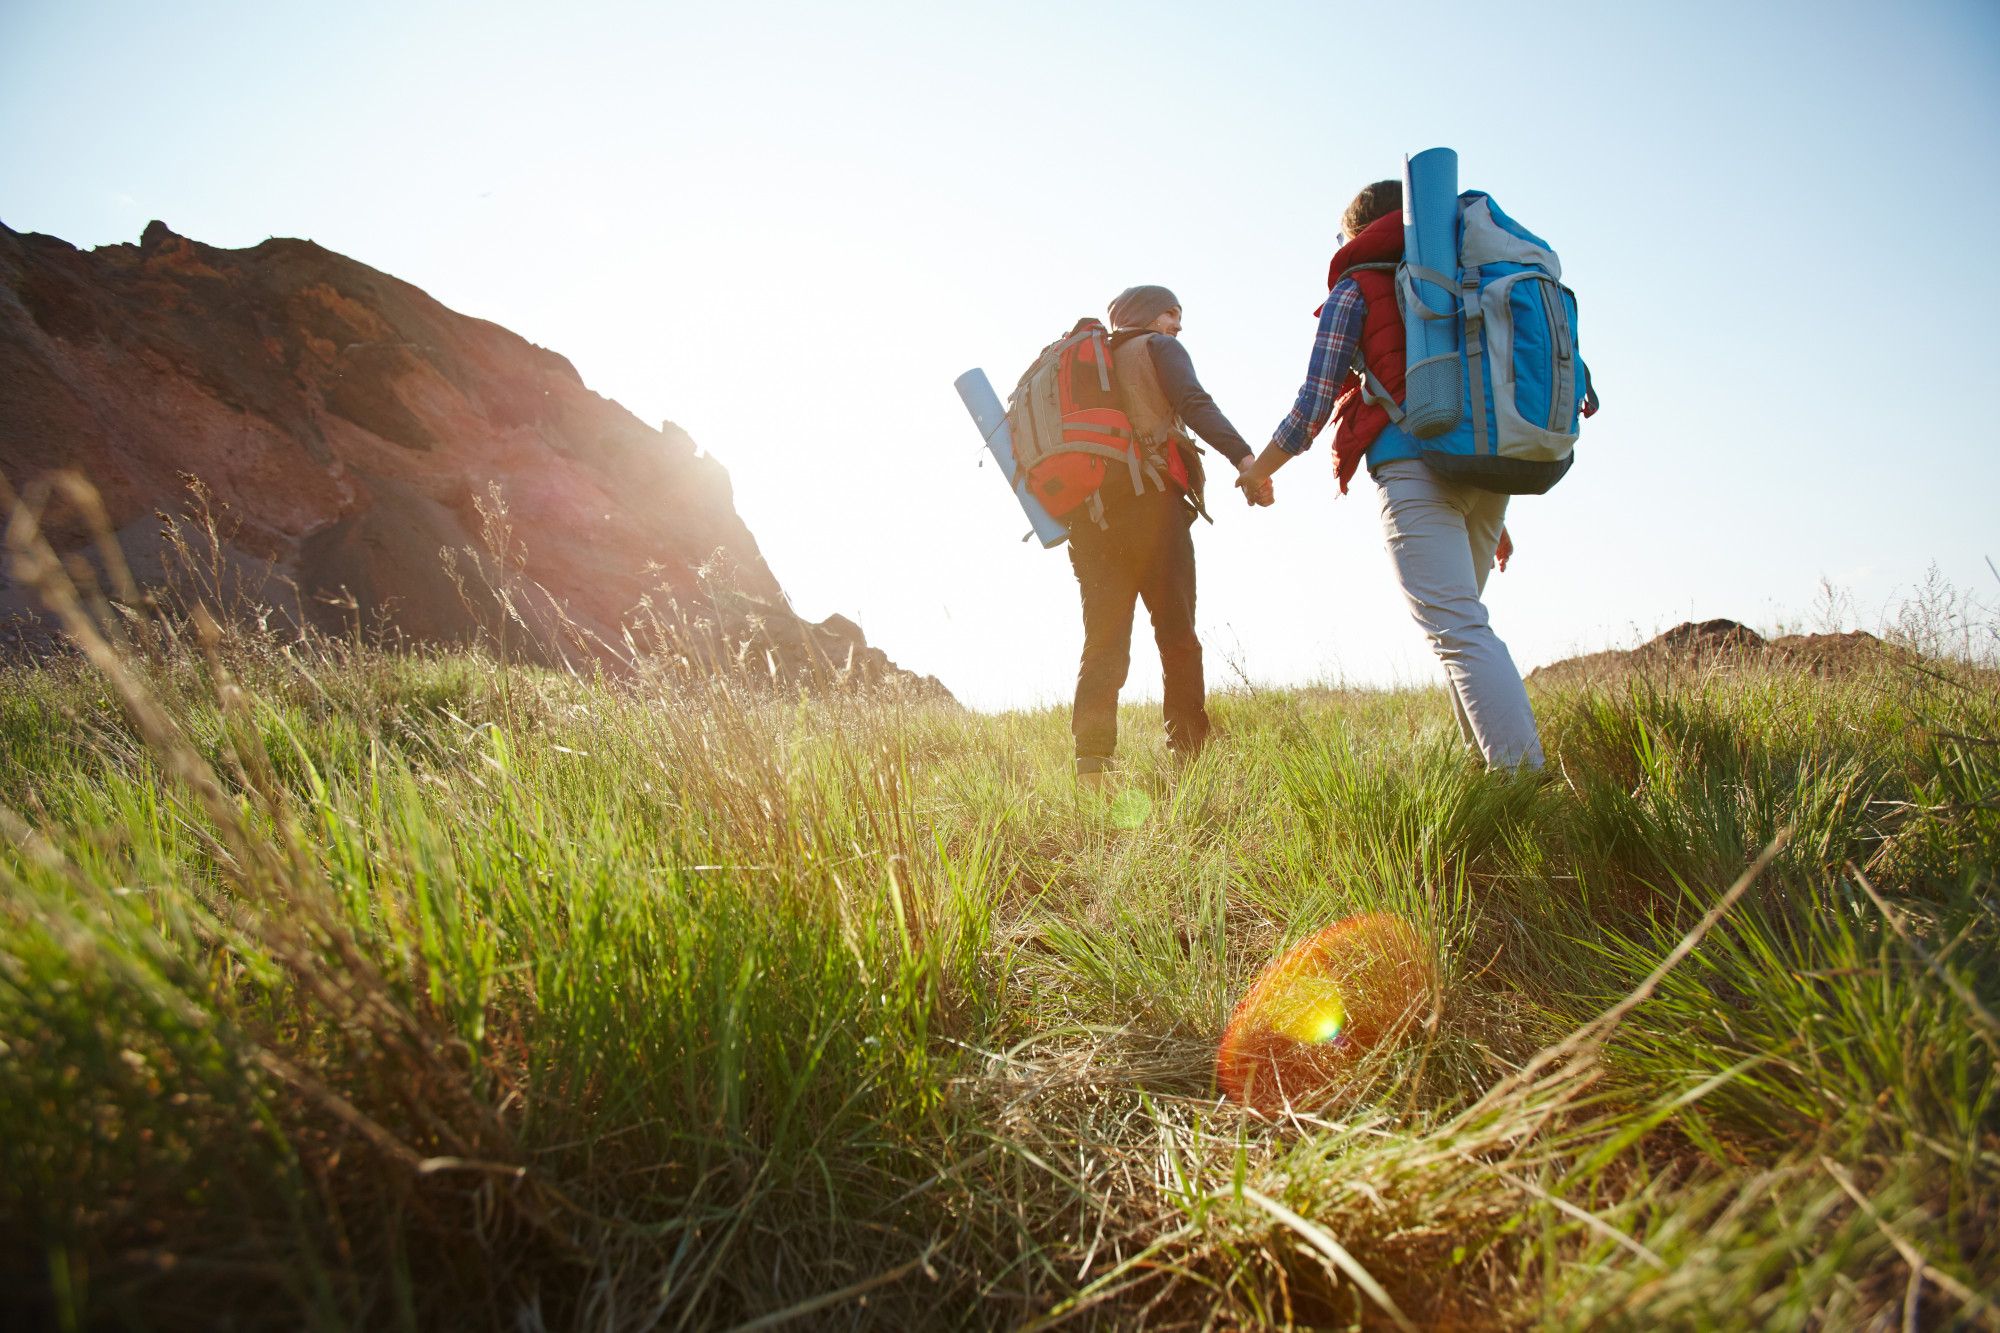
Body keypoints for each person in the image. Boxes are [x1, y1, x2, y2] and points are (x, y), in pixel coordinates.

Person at [1233, 182, 1543, 770]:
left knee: (1458, 631)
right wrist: (1490, 511)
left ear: (1357, 232)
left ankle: (1524, 781)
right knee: (1461, 630)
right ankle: (1490, 776)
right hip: (1486, 472)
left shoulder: (1358, 286)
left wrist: (1258, 471)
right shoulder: (1463, 279)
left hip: (1415, 468)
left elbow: (1312, 405)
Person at [1068, 285, 1268, 787]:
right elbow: (1194, 402)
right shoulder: (1157, 348)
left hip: (1089, 519)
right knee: (1176, 636)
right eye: (1171, 314)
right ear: (1144, 316)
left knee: (1103, 643)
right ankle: (1189, 759)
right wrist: (1246, 460)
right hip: (1150, 508)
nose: (1177, 325)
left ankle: (1092, 770)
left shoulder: (1084, 365)